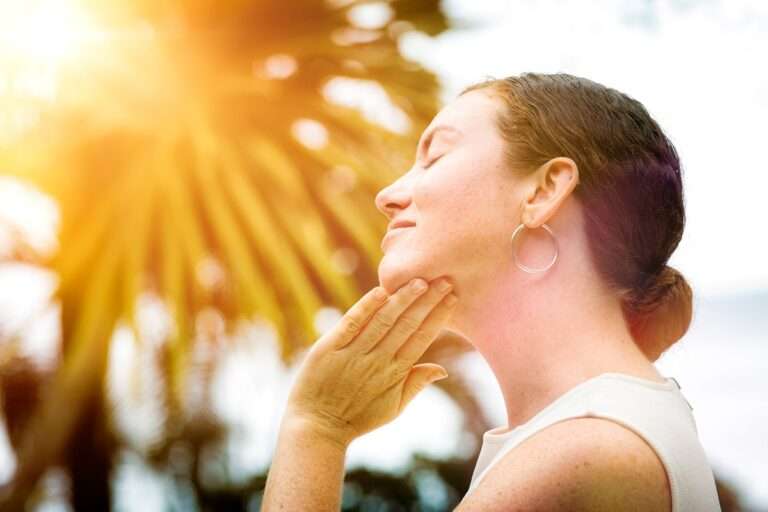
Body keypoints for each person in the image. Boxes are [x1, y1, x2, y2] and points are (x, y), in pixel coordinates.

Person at [261, 72, 721, 511]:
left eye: (436, 155)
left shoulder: (588, 452)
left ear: (543, 191)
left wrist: (316, 428)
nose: (388, 195)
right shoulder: (607, 426)